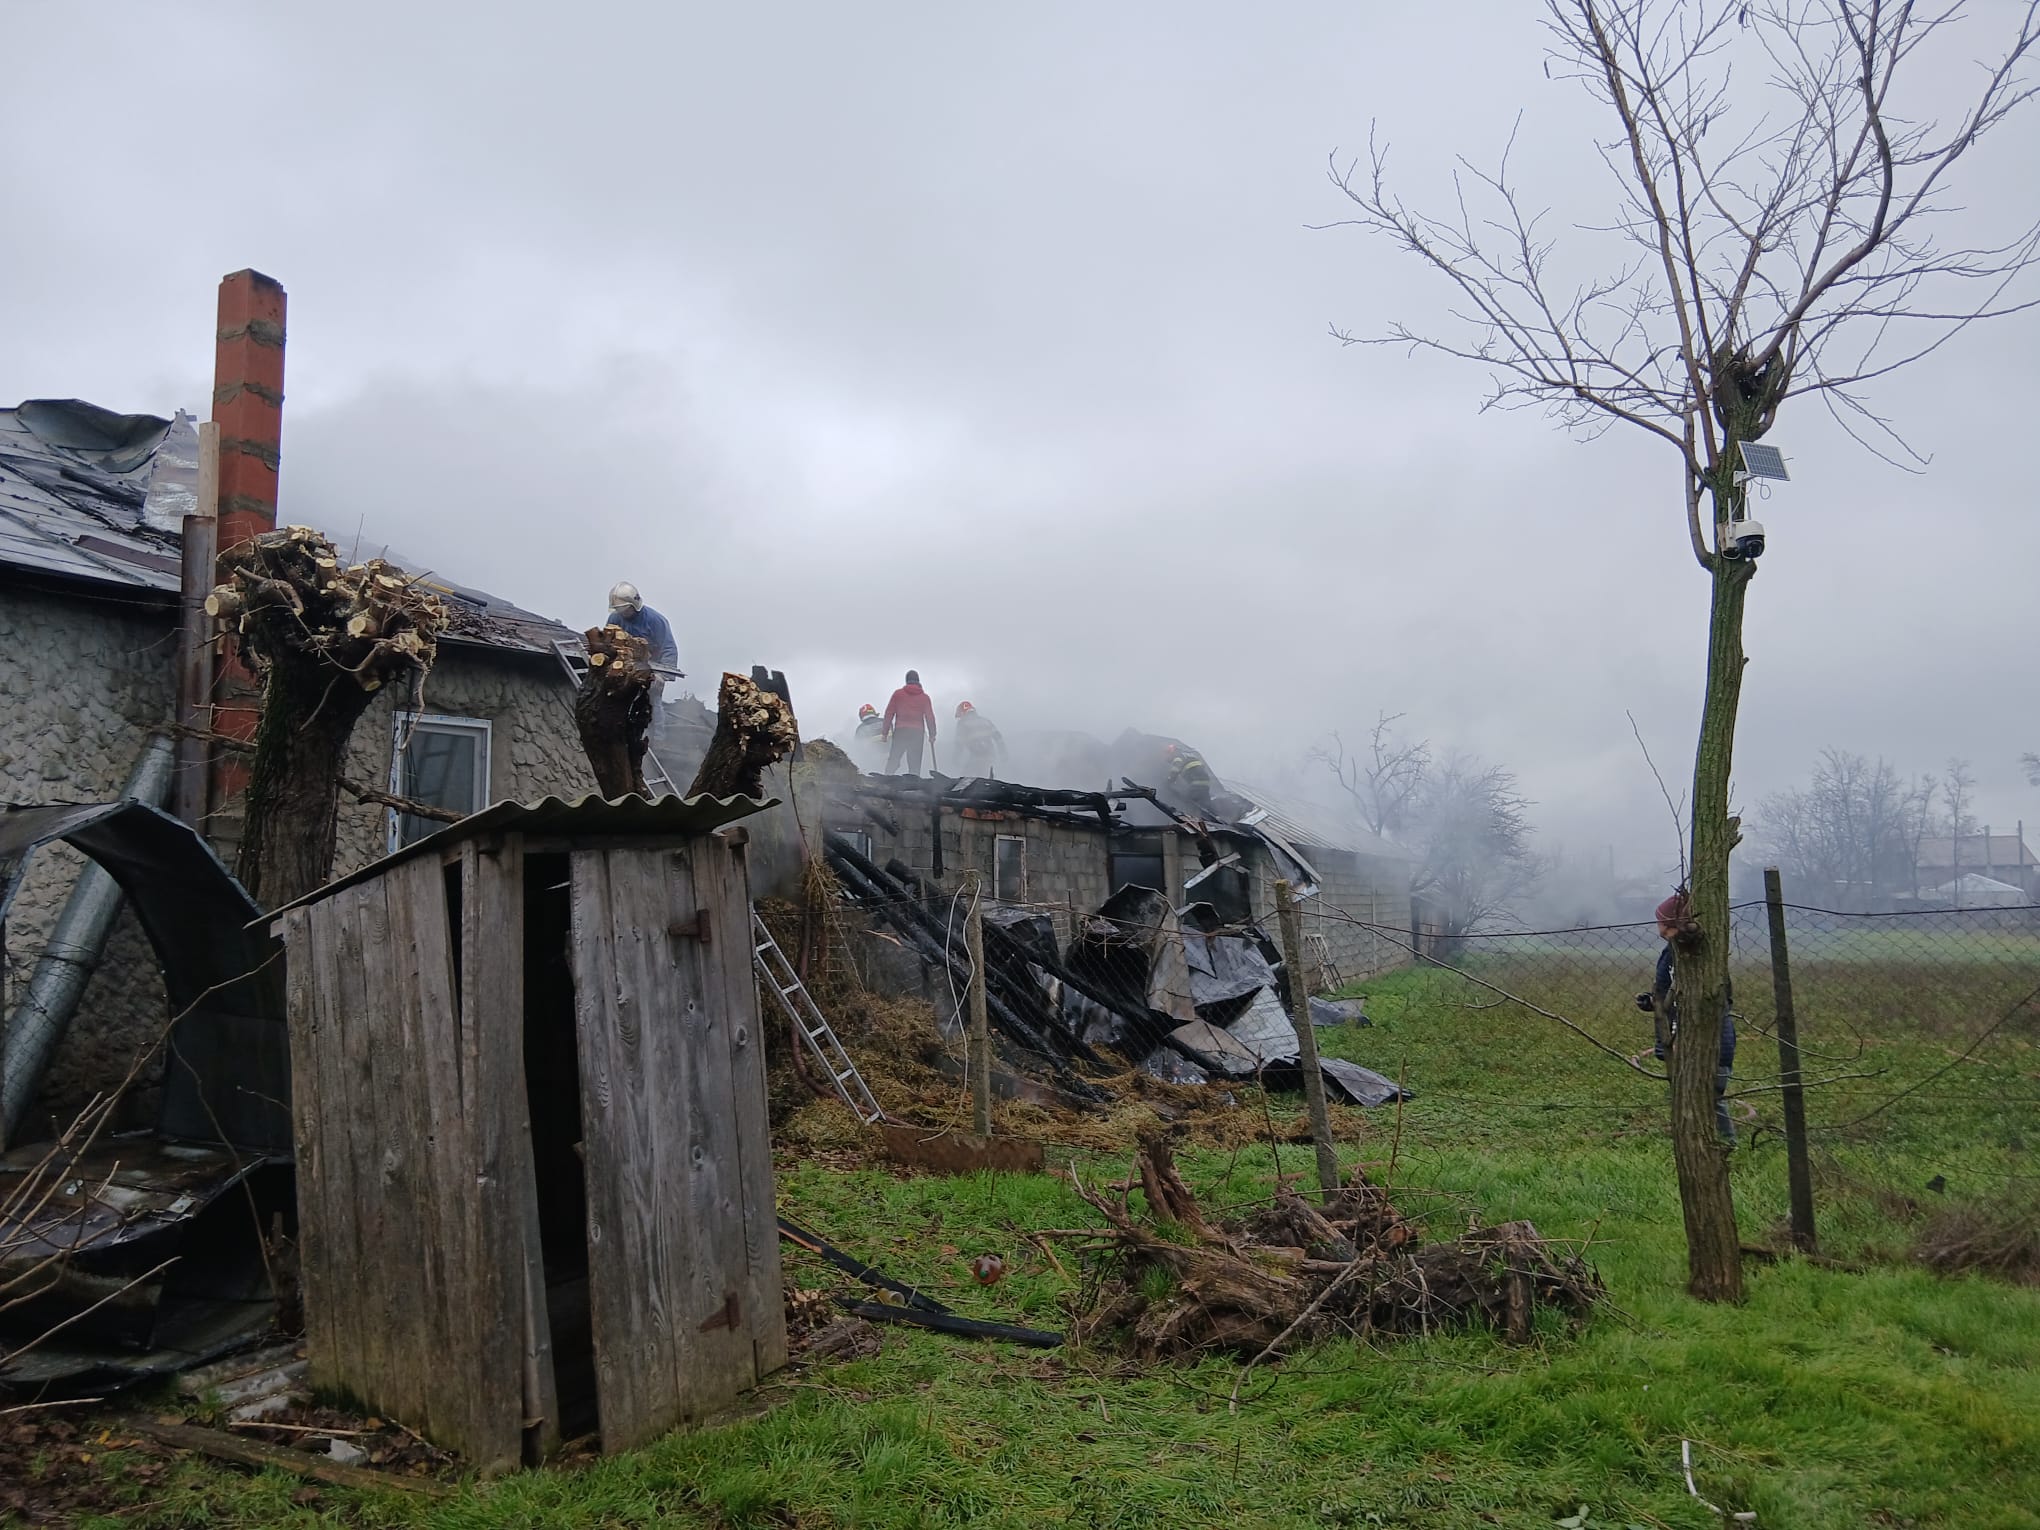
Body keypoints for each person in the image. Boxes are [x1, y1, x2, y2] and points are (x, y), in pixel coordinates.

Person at [1635, 891, 1737, 1144]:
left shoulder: (1699, 957)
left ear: (1675, 924)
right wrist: (1654, 1002)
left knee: (1710, 1097)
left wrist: (1683, 1035)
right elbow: (1669, 991)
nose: (1658, 928)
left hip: (1706, 1043)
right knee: (1688, 1096)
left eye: (1661, 922)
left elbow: (1701, 1002)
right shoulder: (1671, 953)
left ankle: (1726, 1143)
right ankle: (1694, 1140)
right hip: (1682, 1040)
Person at [882, 670, 936, 776]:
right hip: (917, 733)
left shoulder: (898, 694)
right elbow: (930, 717)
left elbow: (889, 713)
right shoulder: (924, 698)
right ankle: (913, 784)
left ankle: (886, 779)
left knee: (894, 758)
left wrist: (884, 733)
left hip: (901, 732)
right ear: (918, 681)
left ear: (906, 681)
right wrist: (932, 735)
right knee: (914, 763)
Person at [953, 701, 1006, 778]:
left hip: (977, 756)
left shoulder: (962, 724)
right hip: (990, 754)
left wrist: (956, 758)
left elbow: (959, 743)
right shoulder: (985, 721)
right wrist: (1003, 753)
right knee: (987, 776)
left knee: (967, 777)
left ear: (962, 713)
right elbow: (998, 737)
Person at [1163, 742, 1215, 812]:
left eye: (1168, 753)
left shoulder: (1177, 758)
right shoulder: (1188, 757)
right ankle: (1215, 816)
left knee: (1188, 801)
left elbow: (1175, 770)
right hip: (1206, 783)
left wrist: (1169, 781)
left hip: (1196, 783)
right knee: (1206, 802)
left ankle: (1193, 815)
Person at [853, 703, 888, 768]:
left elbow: (858, 749)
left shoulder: (860, 729)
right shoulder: (886, 721)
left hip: (874, 762)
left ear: (861, 717)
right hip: (891, 757)